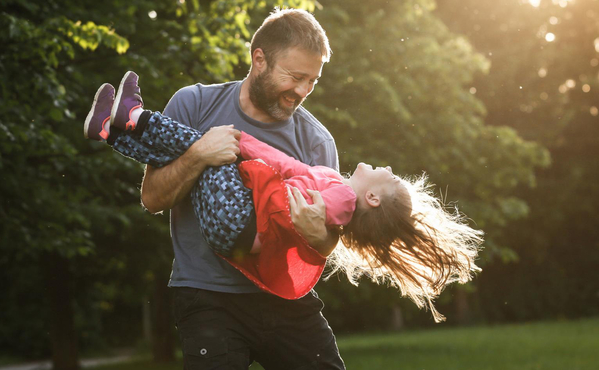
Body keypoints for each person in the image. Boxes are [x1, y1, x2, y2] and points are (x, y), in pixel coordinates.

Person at [84, 71, 483, 322]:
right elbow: (288, 167)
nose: (389, 169)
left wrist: (246, 161)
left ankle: (134, 118)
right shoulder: (332, 181)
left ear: (373, 199)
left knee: (201, 146)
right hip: (234, 228)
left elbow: (292, 204)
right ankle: (111, 129)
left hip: (240, 224)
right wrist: (247, 146)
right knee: (197, 149)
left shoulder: (341, 201)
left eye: (390, 179)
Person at [127, 9, 346, 369]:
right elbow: (152, 198)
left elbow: (327, 245)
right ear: (258, 59)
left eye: (313, 81)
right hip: (209, 298)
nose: (302, 91)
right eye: (295, 77)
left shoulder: (317, 142)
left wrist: (318, 236)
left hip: (285, 299)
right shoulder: (194, 105)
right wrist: (198, 155)